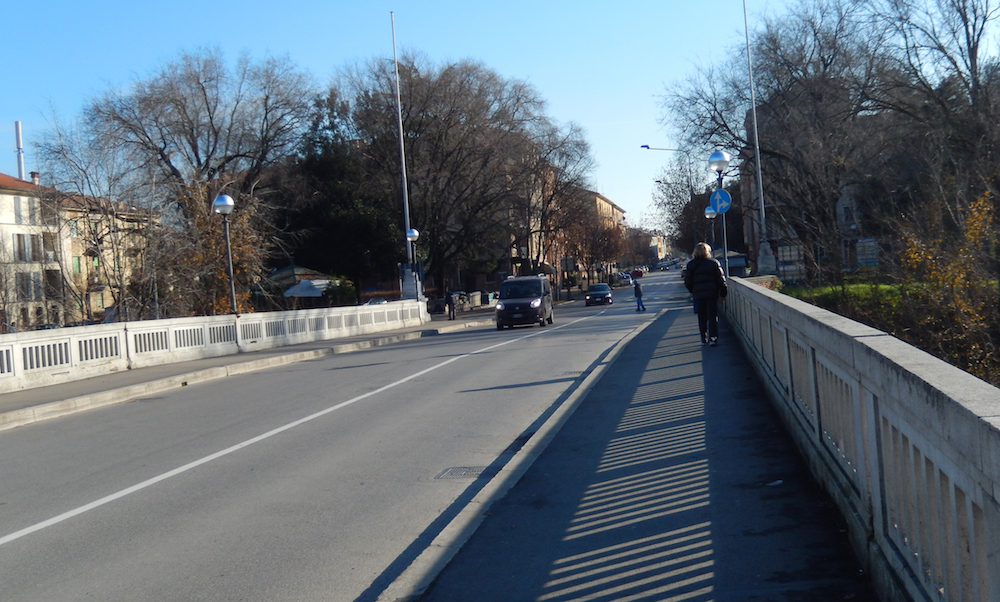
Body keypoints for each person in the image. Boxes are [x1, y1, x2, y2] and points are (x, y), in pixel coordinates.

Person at [684, 242, 727, 345]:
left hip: (698, 294)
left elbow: (687, 281)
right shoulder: (713, 263)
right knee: (712, 315)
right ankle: (713, 338)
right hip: (712, 293)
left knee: (702, 316)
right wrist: (723, 293)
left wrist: (693, 290)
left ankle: (704, 337)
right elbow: (720, 280)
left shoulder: (691, 264)